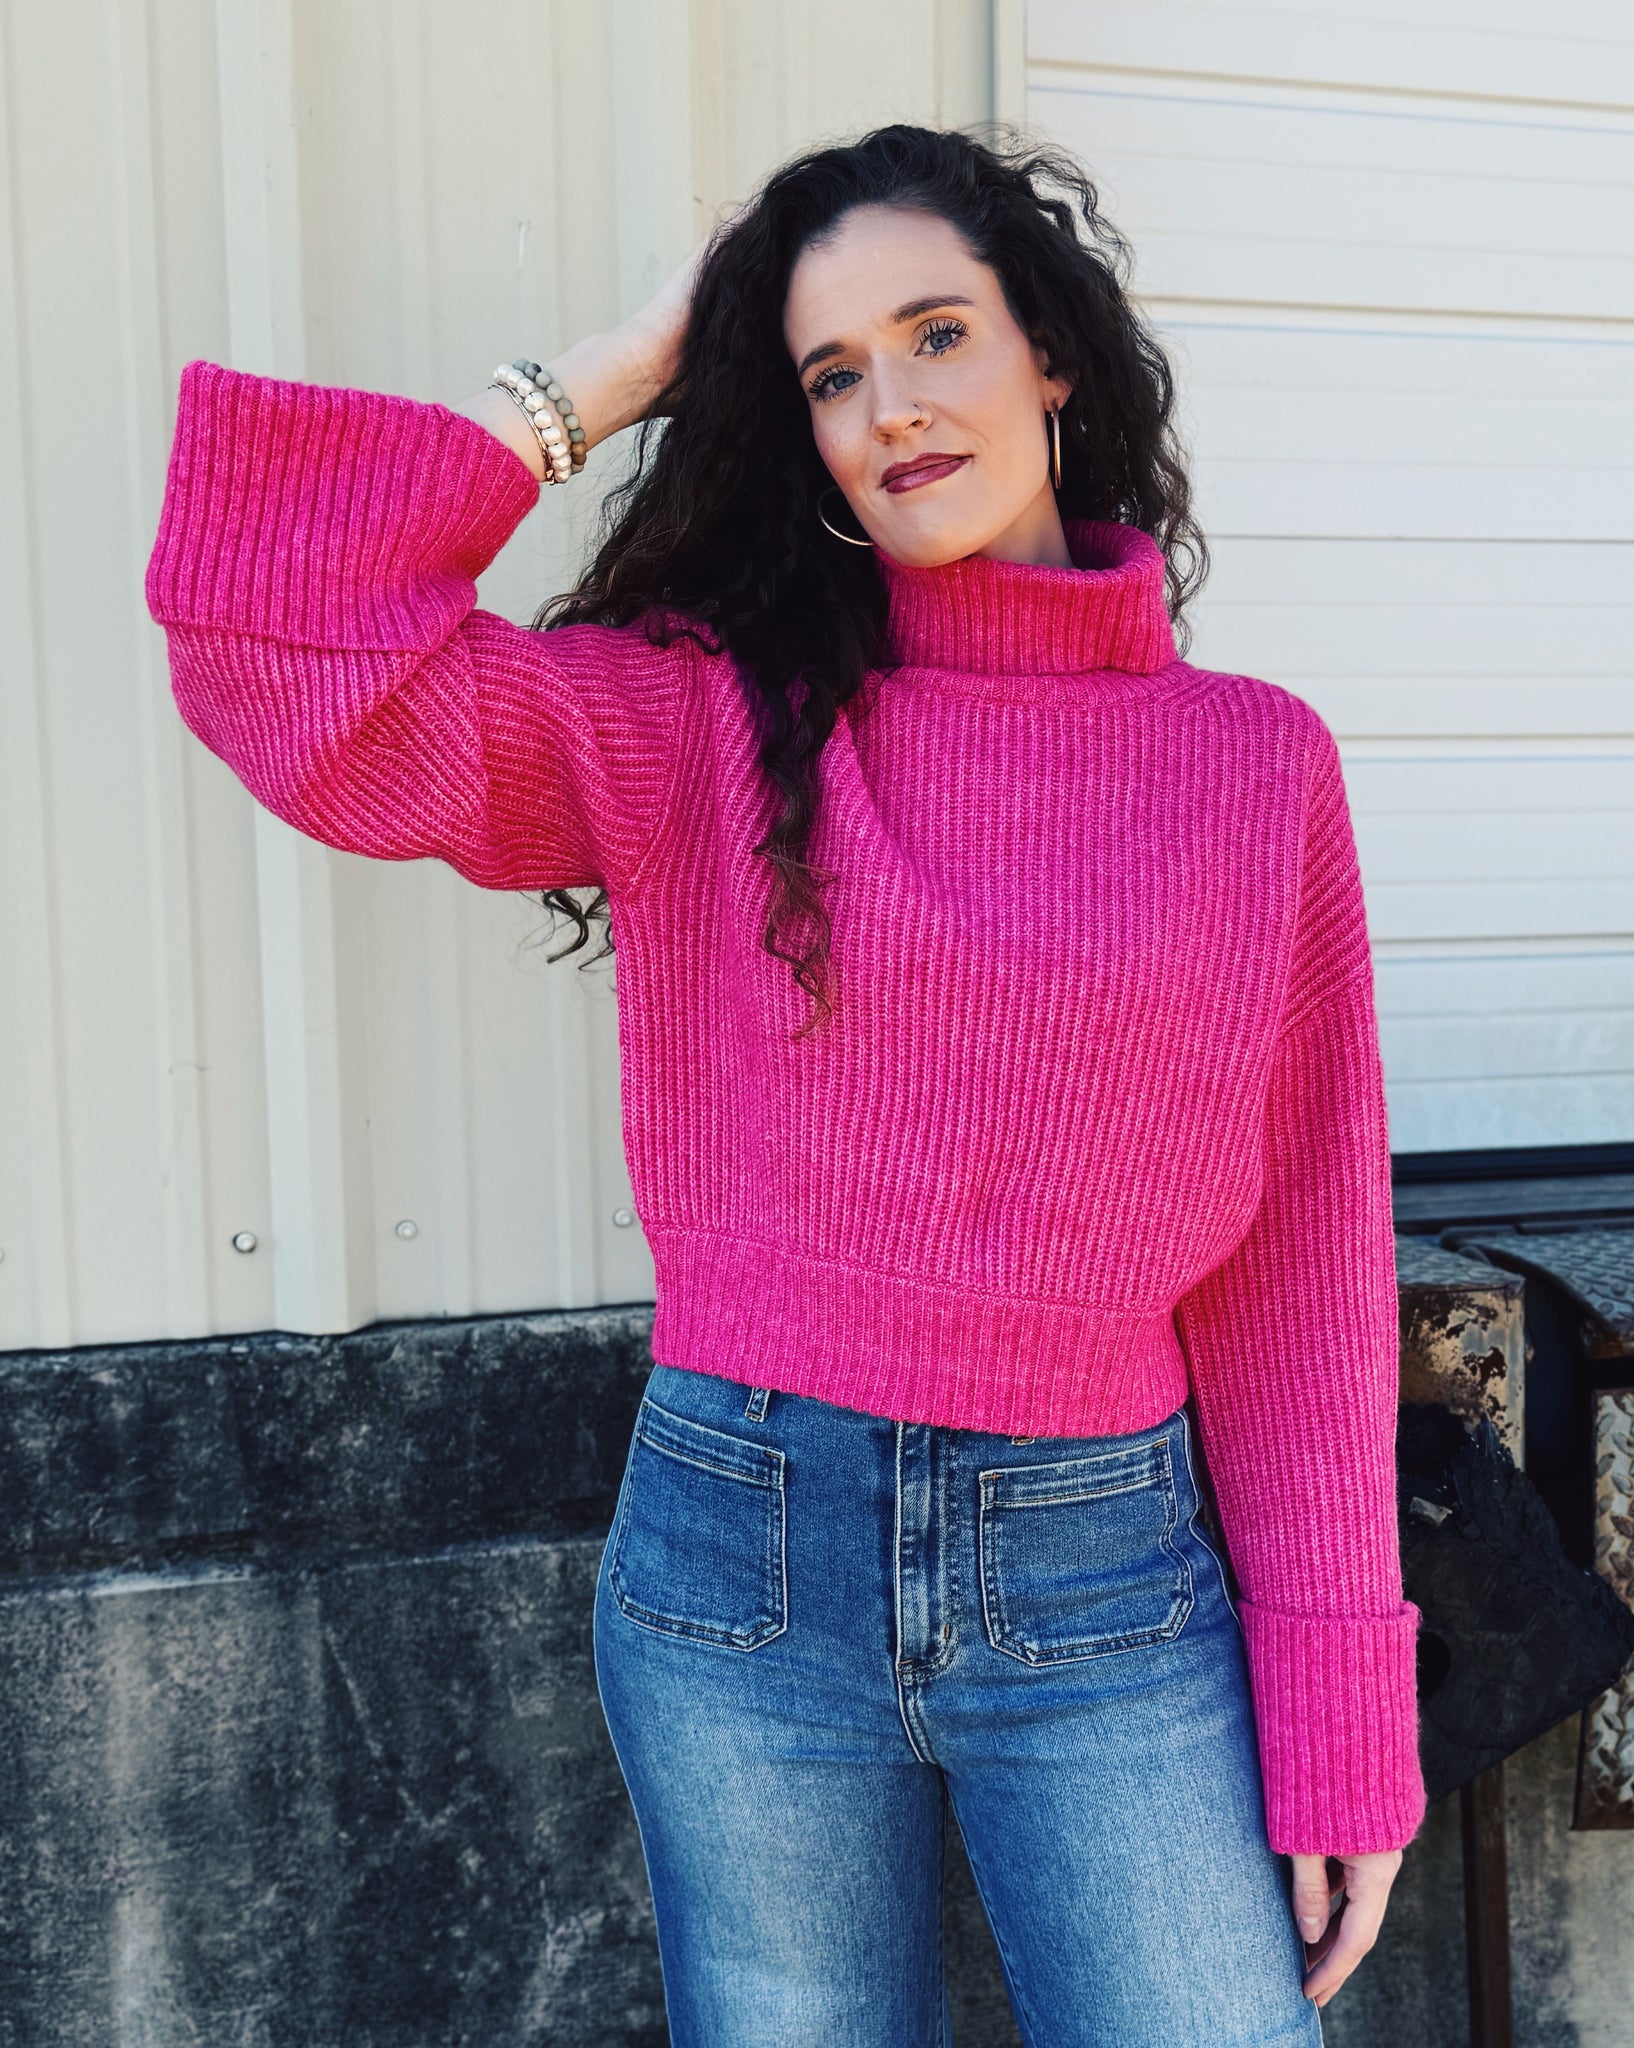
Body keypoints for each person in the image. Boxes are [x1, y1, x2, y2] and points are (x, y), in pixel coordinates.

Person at [146, 122, 1424, 2047]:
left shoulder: (1251, 765)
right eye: (831, 372)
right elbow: (275, 634)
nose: (892, 405)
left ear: (1052, 354)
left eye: (938, 335)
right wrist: (624, 370)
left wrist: (1341, 1712)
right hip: (738, 1562)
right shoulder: (703, 718)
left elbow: (1301, 1255)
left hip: (1106, 1586)